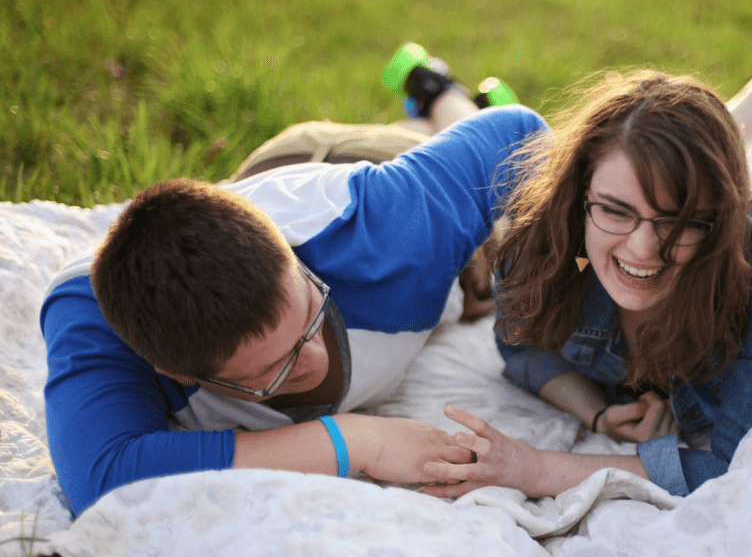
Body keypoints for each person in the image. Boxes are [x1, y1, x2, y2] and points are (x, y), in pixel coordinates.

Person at [41, 74, 548, 517]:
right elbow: (104, 481)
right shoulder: (96, 314)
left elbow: (521, 133)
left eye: (311, 314)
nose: (315, 356)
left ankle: (441, 93)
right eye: (272, 371)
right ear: (176, 371)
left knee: (485, 233)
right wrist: (354, 441)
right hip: (249, 186)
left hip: (342, 159)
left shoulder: (383, 220)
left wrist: (551, 340)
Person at [422, 31, 752, 499]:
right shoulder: (544, 233)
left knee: (745, 197)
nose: (642, 249)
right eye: (615, 210)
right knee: (668, 174)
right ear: (580, 198)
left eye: (681, 221)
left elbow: (742, 466)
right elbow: (521, 343)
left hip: (749, 272)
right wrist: (595, 412)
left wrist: (537, 469)